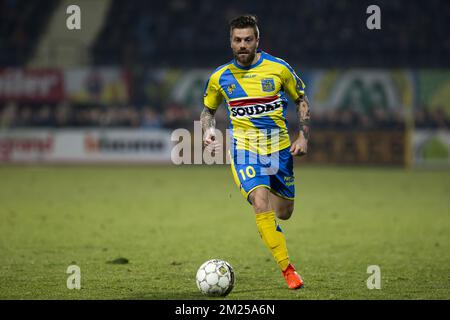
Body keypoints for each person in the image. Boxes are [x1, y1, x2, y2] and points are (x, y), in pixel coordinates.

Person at [200, 15, 311, 290]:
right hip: (244, 149)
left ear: (257, 40)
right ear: (230, 42)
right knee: (260, 204)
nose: (242, 45)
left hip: (279, 151)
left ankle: (270, 227)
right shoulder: (220, 77)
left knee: (284, 213)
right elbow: (207, 111)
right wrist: (207, 130)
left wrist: (304, 136)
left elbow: (301, 100)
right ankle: (288, 270)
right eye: (237, 40)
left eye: (248, 40)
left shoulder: (279, 68)